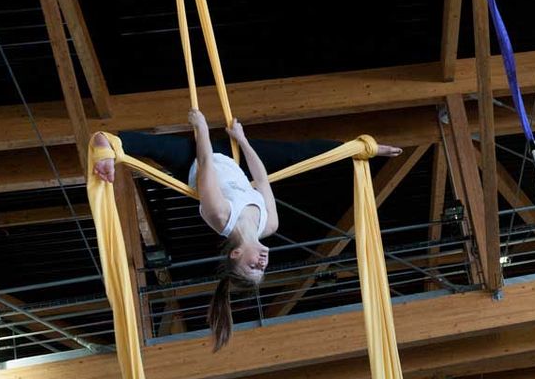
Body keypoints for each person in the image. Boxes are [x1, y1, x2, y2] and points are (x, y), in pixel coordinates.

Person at [90, 108, 402, 351]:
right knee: (300, 154)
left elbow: (207, 166)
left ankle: (107, 149)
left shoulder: (219, 215)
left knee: (148, 147)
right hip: (236, 157)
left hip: (197, 159)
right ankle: (362, 149)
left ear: (236, 253)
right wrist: (242, 139)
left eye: (252, 266)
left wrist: (199, 128)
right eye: (262, 269)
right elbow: (262, 179)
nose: (262, 263)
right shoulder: (270, 225)